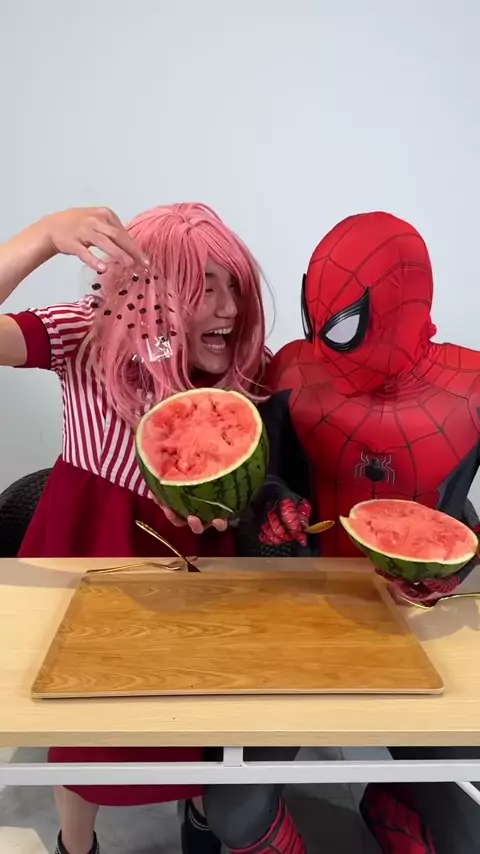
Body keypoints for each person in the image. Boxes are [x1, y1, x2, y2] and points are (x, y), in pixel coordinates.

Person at [0, 202, 306, 854]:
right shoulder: (83, 334)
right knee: (82, 730)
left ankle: (200, 817)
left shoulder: (242, 365)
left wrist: (245, 508)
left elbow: (256, 475)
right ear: (150, 289)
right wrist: (42, 238)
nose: (228, 308)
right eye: (204, 287)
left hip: (194, 557)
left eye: (233, 285)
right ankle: (76, 844)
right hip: (89, 548)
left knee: (193, 714)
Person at [264, 210, 480, 853]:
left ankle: (391, 801)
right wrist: (272, 508)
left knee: (467, 832)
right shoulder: (292, 373)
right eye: (317, 324)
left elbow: (465, 523)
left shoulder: (471, 389)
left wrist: (462, 554)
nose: (325, 349)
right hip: (306, 618)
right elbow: (267, 482)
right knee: (237, 810)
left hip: (423, 630)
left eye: (342, 327)